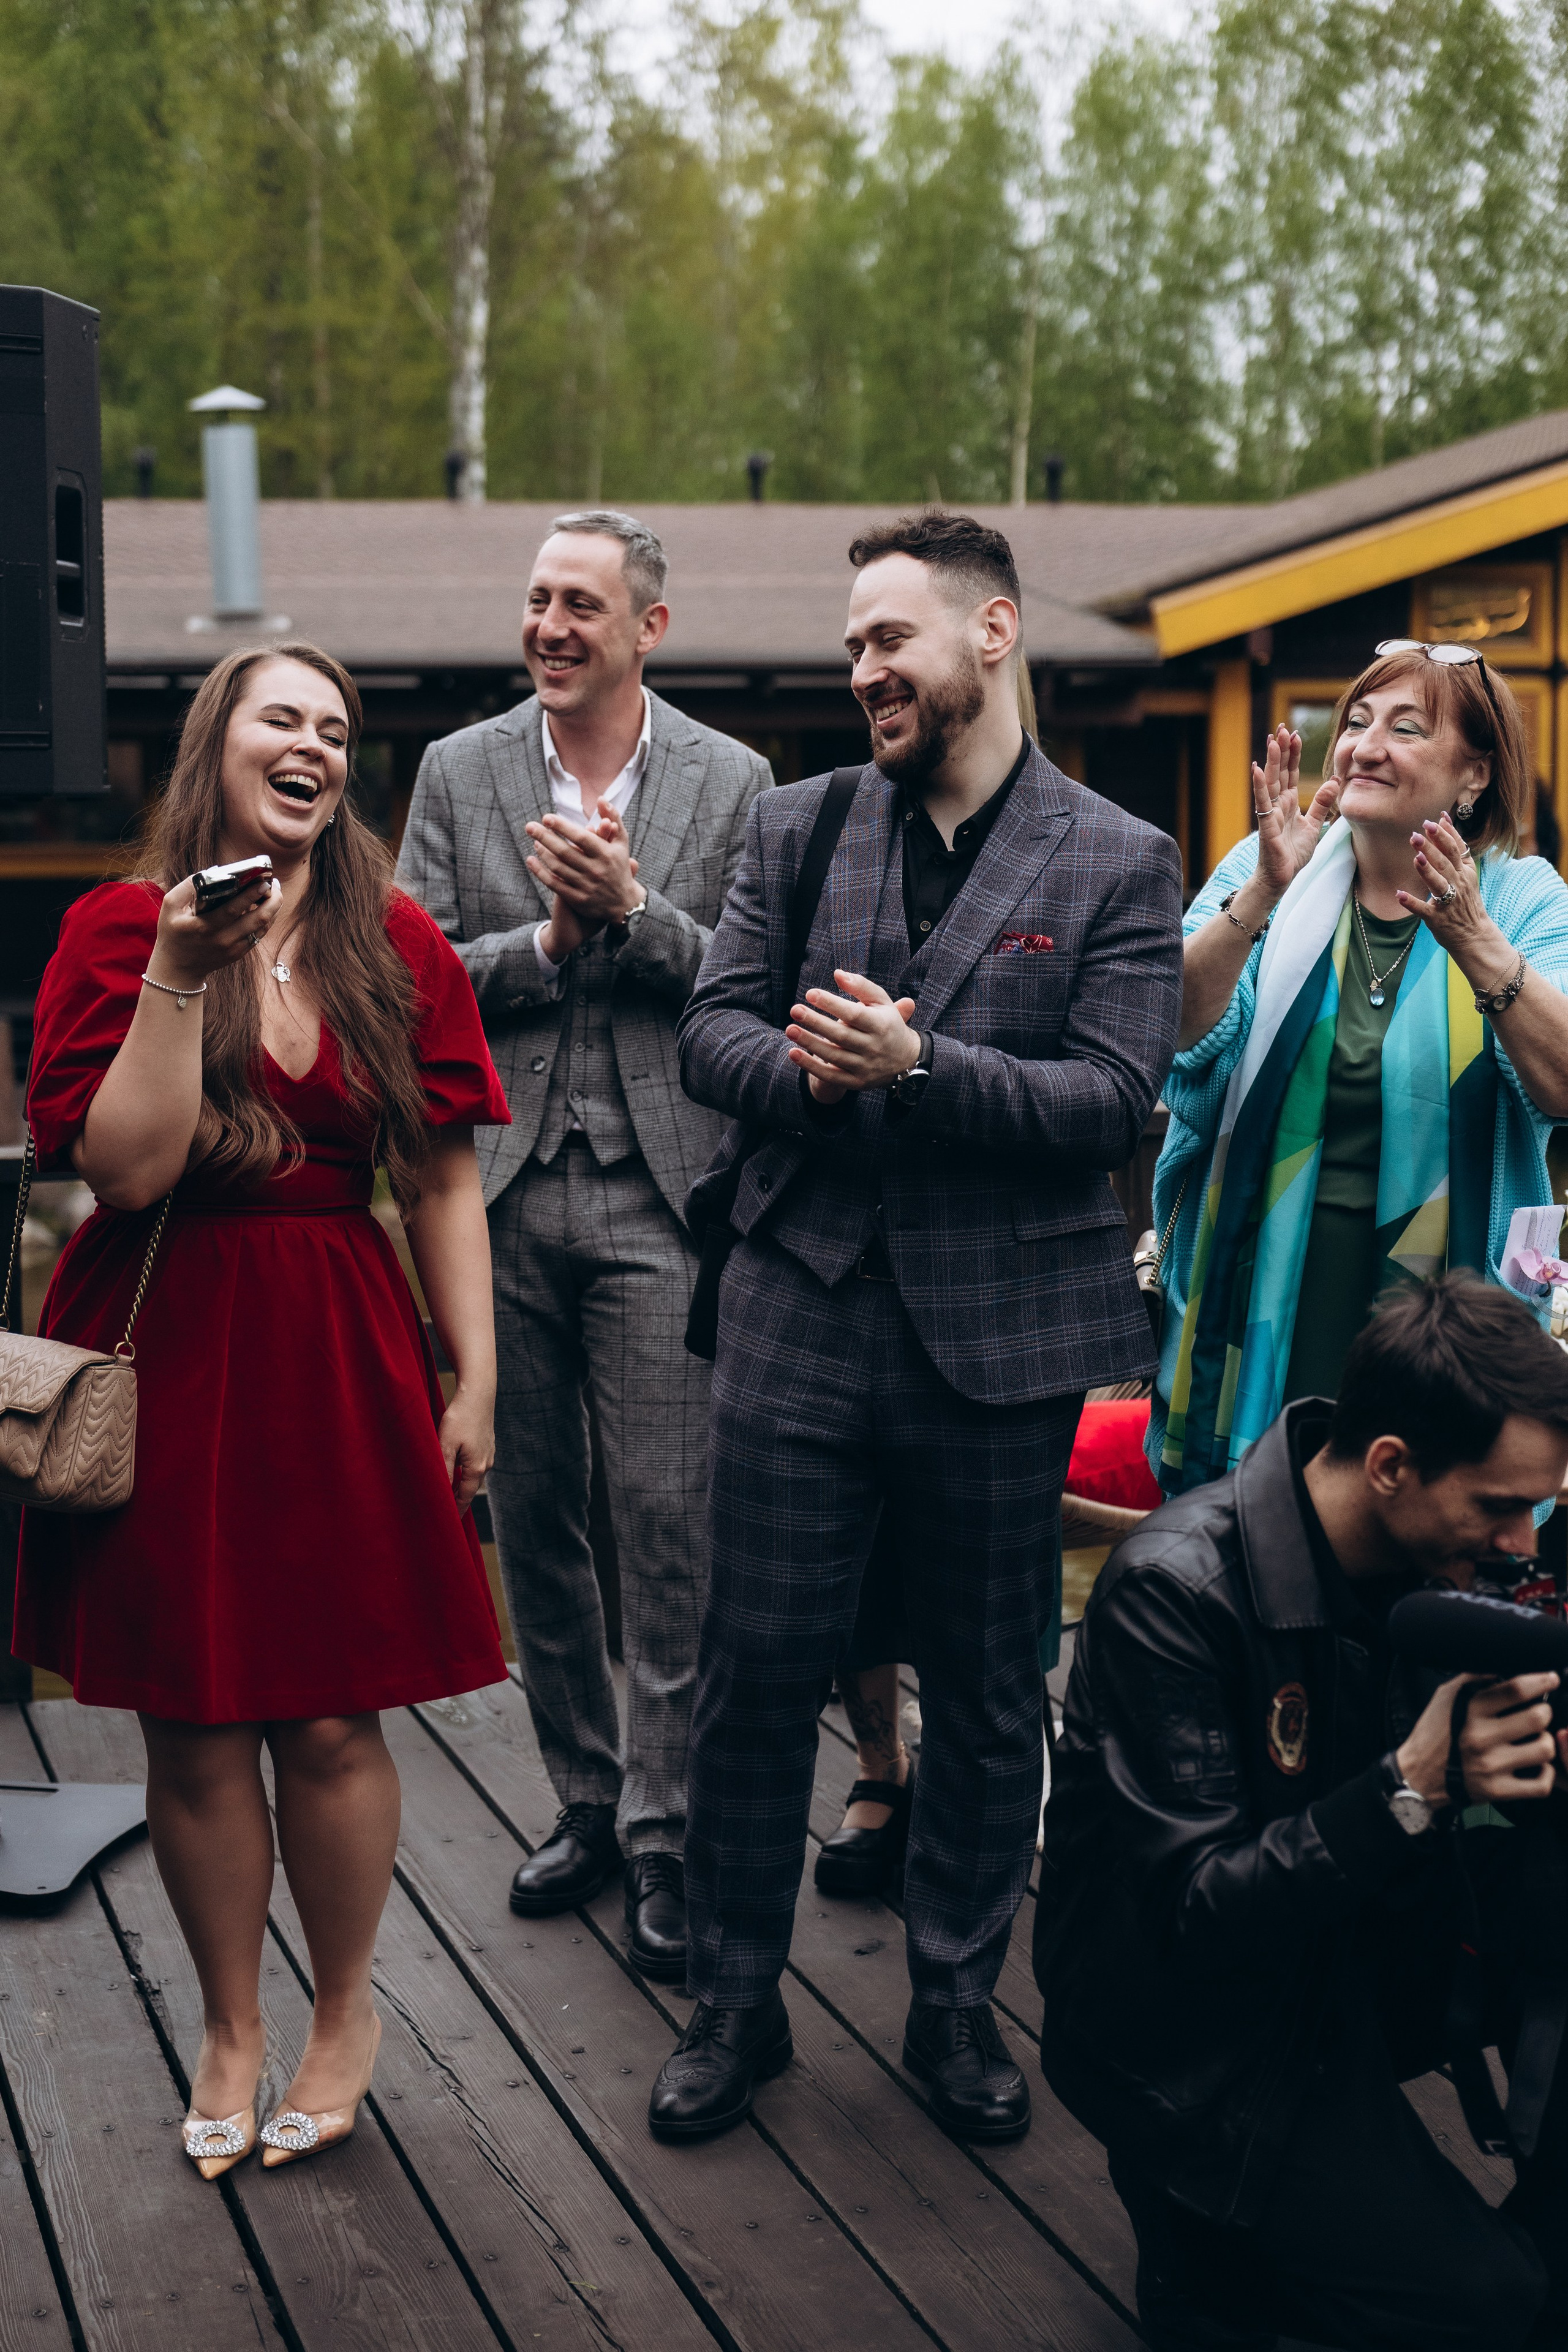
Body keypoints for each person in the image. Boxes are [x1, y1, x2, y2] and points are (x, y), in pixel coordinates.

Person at [650, 510, 1183, 2143]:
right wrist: (815, 1071)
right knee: (751, 1678)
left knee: (987, 1682)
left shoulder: (1119, 859)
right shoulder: (801, 828)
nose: (866, 670)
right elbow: (711, 1036)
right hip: (797, 1306)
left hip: (1001, 1341)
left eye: (893, 639)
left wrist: (926, 1070)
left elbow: (1113, 1099)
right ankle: (736, 2006)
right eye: (855, 646)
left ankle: (956, 2007)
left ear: (994, 632)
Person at [12, 644, 510, 2179]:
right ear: (215, 743)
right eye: (281, 716)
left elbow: (435, 1175)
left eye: (336, 730)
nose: (313, 744)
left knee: (332, 1708)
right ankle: (231, 2025)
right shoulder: (114, 929)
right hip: (170, 1339)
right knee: (196, 1719)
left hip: (338, 1345)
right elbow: (128, 1172)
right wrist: (180, 966)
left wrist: (471, 1368)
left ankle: (344, 2010)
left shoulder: (396, 939)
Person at [1036, 1275, 1568, 2351]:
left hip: (1353, 1954)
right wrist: (1411, 1786)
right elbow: (1196, 1914)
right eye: (1502, 1506)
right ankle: (1201, 2252)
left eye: (1541, 1506)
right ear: (1390, 1466)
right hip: (1194, 2039)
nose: (1525, 1542)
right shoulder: (1176, 1594)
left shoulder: (1443, 1551)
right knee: (1493, 2310)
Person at [396, 511, 771, 1983]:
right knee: (533, 1516)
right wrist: (546, 949)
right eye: (536, 600)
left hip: (661, 1197)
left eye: (580, 605)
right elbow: (410, 971)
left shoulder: (735, 781)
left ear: (646, 630)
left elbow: (748, 980)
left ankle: (672, 1834)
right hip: (491, 1199)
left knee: (669, 1524)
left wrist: (632, 916)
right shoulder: (458, 770)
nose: (549, 626)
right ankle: (587, 1800)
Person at [1151, 641, 1568, 1498]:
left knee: (1422, 1557)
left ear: (1474, 776)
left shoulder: (1524, 900)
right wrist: (1264, 890)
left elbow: (1560, 1084)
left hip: (1439, 1323)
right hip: (1260, 1305)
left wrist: (1478, 947)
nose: (1365, 746)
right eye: (1356, 722)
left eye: (1405, 729)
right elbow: (1176, 1036)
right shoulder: (1264, 865)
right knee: (1252, 1561)